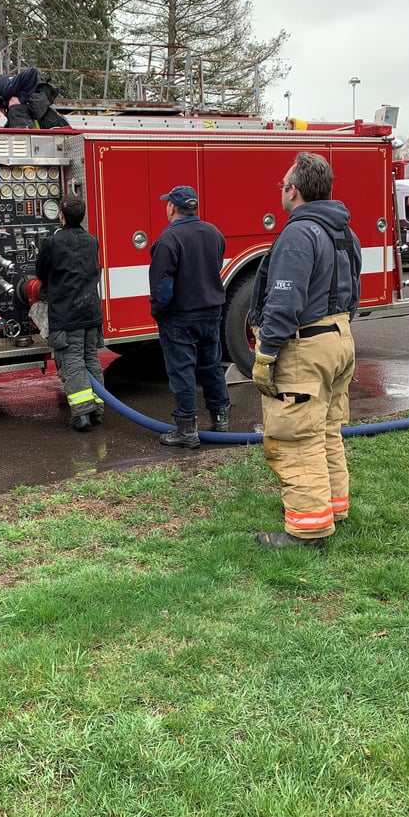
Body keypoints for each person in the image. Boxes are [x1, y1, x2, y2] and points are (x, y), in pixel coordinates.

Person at [249, 151, 362, 550]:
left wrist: (266, 354)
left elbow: (284, 302)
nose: (281, 191)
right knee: (327, 430)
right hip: (339, 339)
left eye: (283, 185)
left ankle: (309, 531)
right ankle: (334, 508)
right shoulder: (344, 232)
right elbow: (354, 293)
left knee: (296, 436)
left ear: (293, 190)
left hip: (306, 345)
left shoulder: (299, 233)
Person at [149, 185, 231, 449]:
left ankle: (186, 430)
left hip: (180, 315)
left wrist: (159, 313)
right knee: (211, 366)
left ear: (172, 207)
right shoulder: (214, 233)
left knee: (182, 371)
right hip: (211, 311)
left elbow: (162, 286)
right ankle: (221, 420)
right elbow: (214, 267)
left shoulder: (167, 241)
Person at [35, 193, 104, 431]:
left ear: (61, 216)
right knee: (91, 358)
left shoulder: (53, 243)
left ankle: (82, 414)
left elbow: (41, 271)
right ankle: (97, 410)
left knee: (72, 360)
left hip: (67, 315)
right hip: (91, 312)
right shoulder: (92, 240)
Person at [0, 66, 70, 129]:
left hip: (39, 93)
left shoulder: (7, 88)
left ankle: (25, 139)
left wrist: (20, 99)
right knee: (9, 124)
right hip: (26, 96)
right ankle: (61, 126)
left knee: (15, 111)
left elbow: (32, 72)